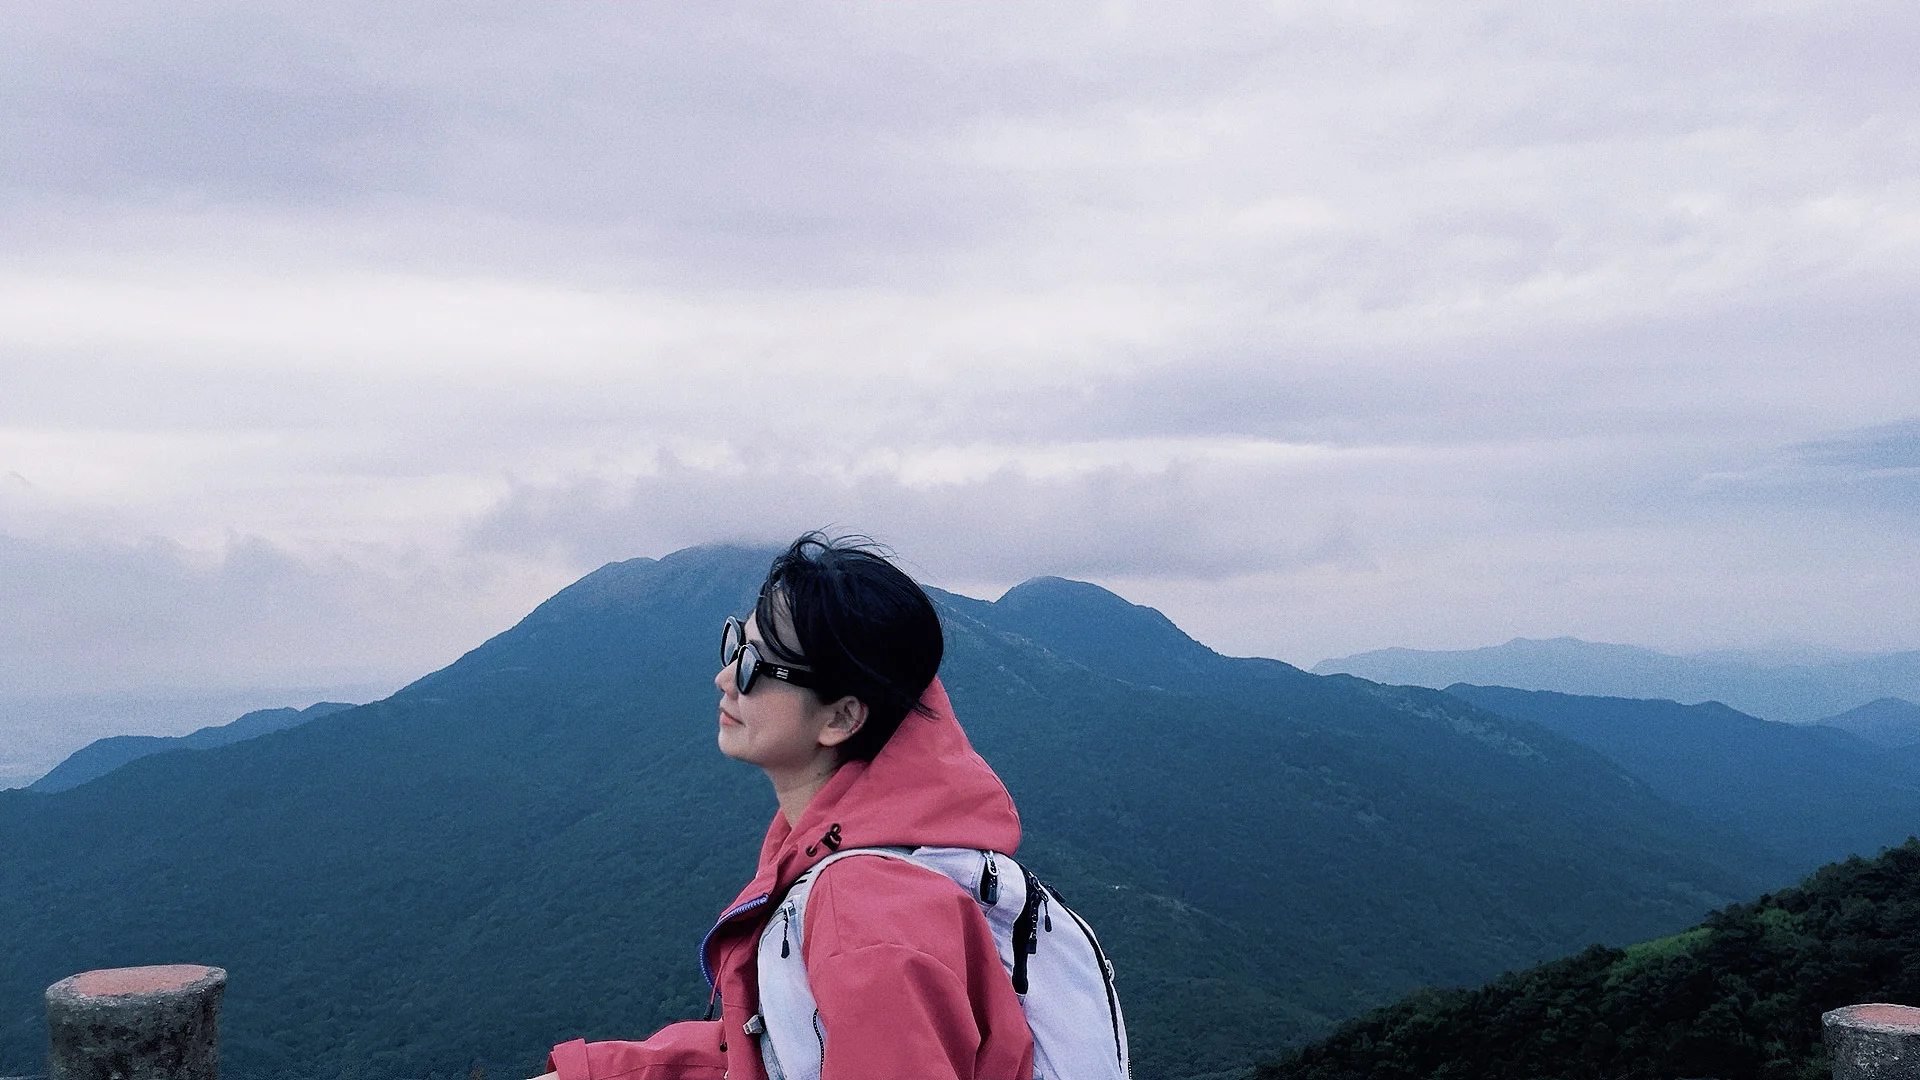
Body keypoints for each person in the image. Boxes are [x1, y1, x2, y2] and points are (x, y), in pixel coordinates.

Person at [539, 533, 1035, 1080]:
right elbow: (782, 1049)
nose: (725, 679)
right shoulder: (835, 841)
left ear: (842, 718)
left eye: (755, 667)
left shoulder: (864, 918)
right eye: (734, 645)